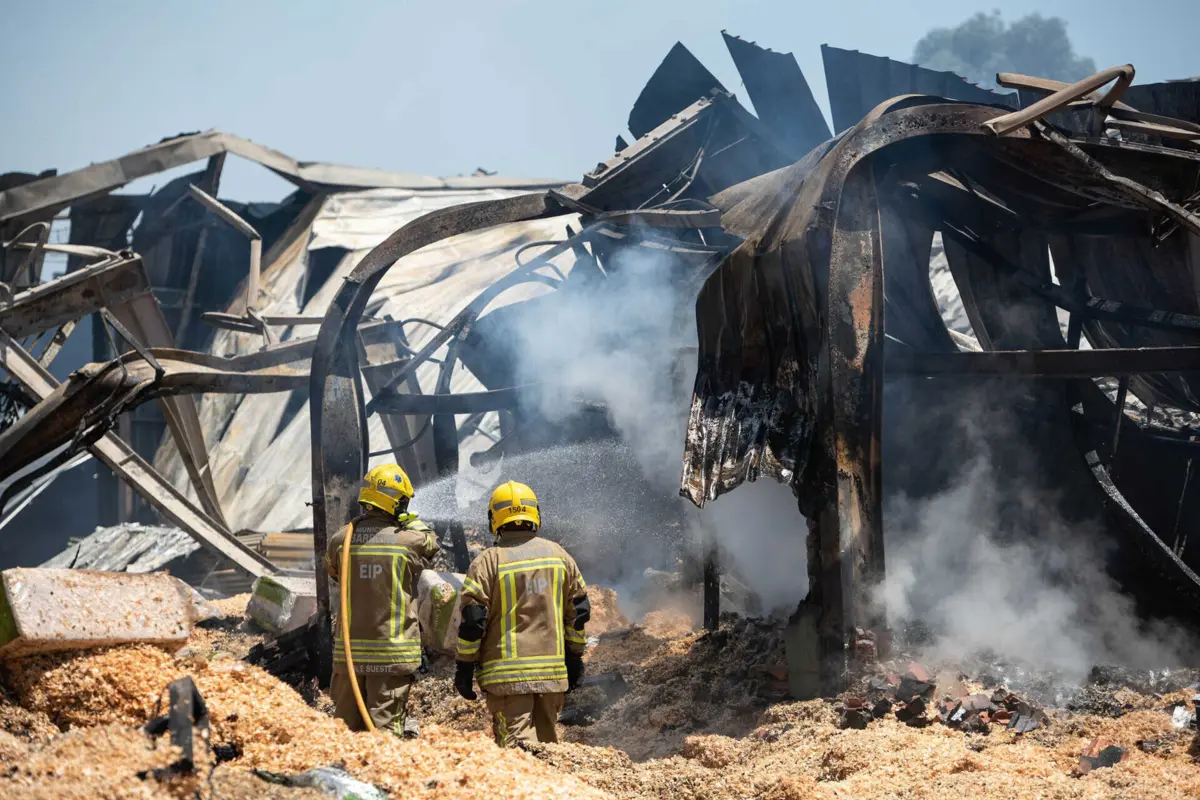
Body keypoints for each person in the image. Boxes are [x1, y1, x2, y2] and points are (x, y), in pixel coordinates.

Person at [453, 480, 590, 747]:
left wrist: (464, 665)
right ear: (535, 513)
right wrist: (574, 657)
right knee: (549, 751)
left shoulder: (487, 562)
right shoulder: (559, 555)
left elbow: (473, 622)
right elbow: (579, 612)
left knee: (518, 759)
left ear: (495, 518)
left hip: (507, 681)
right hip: (551, 677)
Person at [326, 463, 439, 736]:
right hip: (390, 655)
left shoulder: (341, 539)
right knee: (384, 736)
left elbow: (334, 572)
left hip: (349, 656)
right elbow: (431, 544)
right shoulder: (409, 540)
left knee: (344, 734)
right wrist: (410, 519)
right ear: (397, 504)